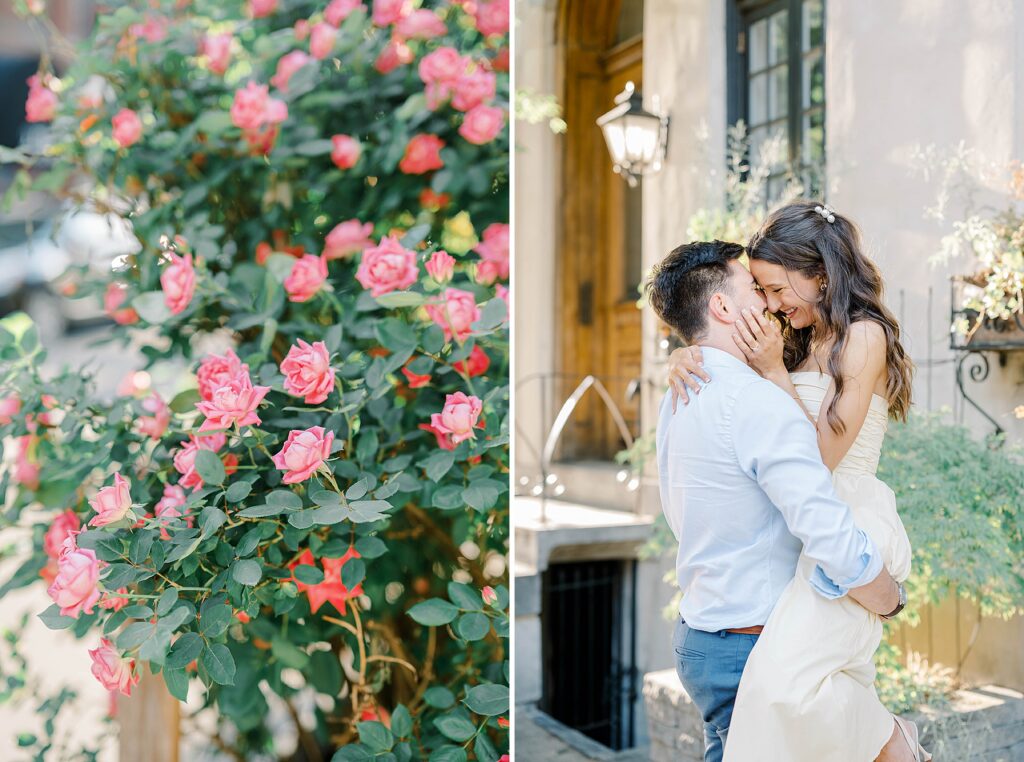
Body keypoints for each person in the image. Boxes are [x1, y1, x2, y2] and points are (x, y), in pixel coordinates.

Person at [647, 231, 926, 762]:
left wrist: (700, 353)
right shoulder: (746, 391)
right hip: (753, 643)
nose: (770, 302)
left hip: (712, 634)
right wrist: (886, 596)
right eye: (757, 287)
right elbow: (819, 513)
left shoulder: (686, 395)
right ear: (724, 305)